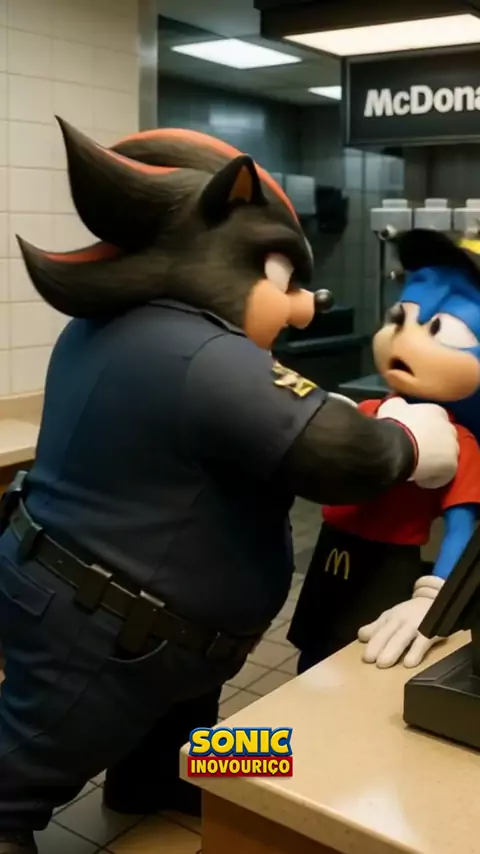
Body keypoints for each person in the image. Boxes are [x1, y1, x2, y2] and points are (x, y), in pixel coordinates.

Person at [0, 120, 459, 854]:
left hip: (150, 634)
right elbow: (340, 452)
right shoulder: (197, 351)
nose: (303, 307)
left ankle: (158, 779)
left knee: (189, 736)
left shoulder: (114, 327)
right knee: (27, 756)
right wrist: (407, 440)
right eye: (284, 280)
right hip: (100, 632)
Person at [289, 228, 480, 675]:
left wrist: (433, 599)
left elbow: (463, 528)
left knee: (364, 665)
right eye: (399, 318)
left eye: (439, 328)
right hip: (330, 555)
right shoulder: (370, 411)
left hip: (389, 570)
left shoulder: (461, 442)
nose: (402, 339)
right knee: (310, 656)